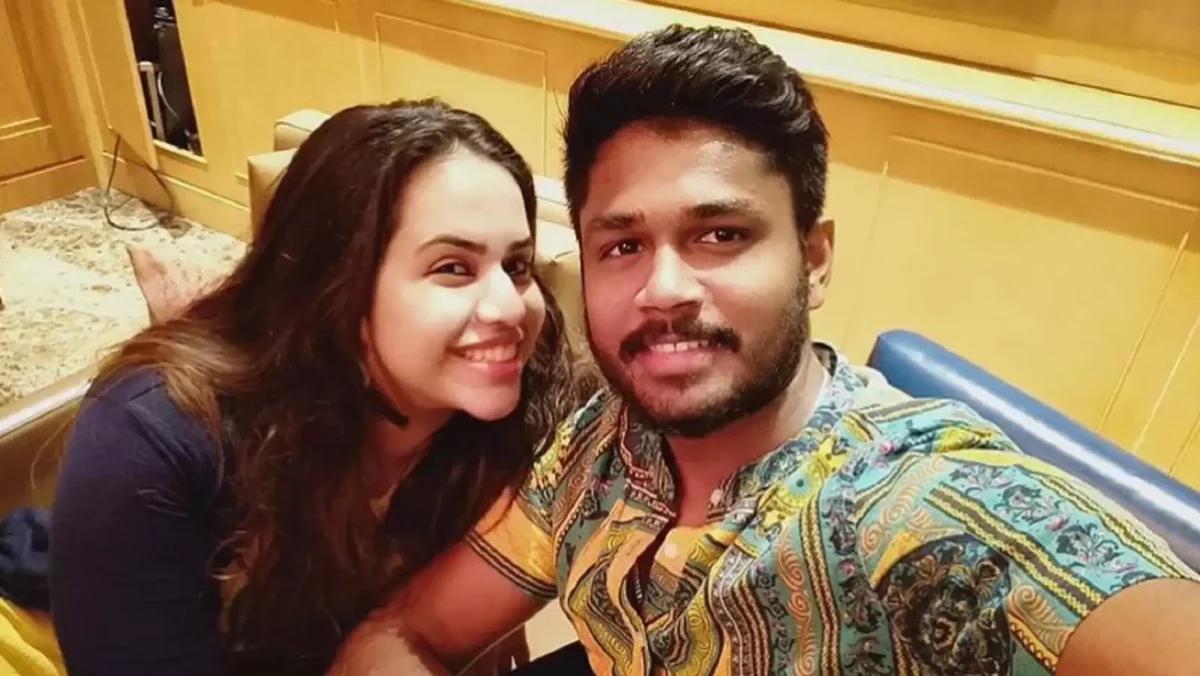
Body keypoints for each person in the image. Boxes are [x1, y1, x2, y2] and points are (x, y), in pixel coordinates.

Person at [325, 25, 1200, 676]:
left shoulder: (913, 513)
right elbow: (410, 633)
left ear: (813, 260)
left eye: (720, 234)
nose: (664, 288)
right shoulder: (600, 443)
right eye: (623, 245)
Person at [49, 99, 594, 676]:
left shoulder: (535, 414)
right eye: (452, 268)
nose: (510, 306)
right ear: (339, 283)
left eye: (516, 266)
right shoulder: (152, 441)